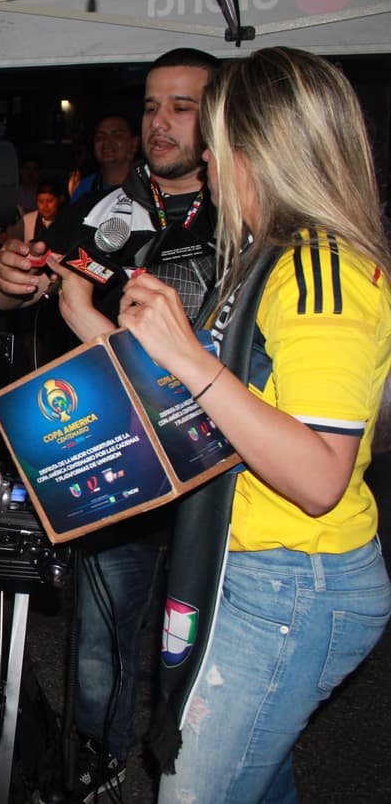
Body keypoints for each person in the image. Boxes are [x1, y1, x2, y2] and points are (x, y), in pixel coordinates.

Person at [115, 46, 391, 804]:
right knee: (257, 784)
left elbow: (317, 475)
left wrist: (191, 360)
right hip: (260, 566)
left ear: (258, 149)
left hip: (295, 581)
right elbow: (233, 403)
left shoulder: (318, 271)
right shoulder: (270, 257)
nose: (203, 154)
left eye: (215, 136)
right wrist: (94, 321)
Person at [0, 48, 219, 801]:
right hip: (113, 463)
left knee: (212, 662)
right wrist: (5, 277)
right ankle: (97, 769)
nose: (160, 122)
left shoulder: (247, 207)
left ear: (216, 117)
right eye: (152, 105)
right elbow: (30, 285)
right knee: (97, 651)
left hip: (220, 478)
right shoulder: (103, 204)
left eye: (181, 106)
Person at [69, 115, 140, 204]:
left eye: (117, 135)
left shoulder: (149, 188)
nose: (107, 142)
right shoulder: (85, 189)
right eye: (100, 136)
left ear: (135, 143)